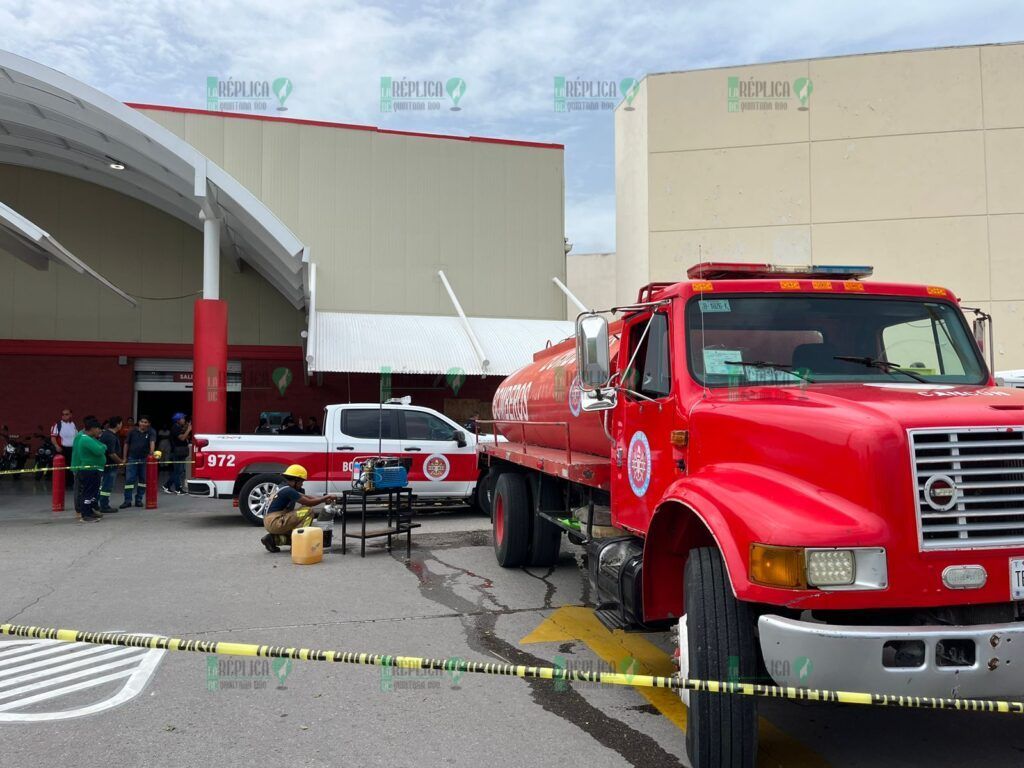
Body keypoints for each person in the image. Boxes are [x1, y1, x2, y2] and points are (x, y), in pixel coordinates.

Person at [261, 465, 335, 553]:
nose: (302, 484)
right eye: (301, 482)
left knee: (302, 512)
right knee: (308, 511)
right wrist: (327, 497)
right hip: (275, 521)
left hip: (270, 521)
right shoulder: (288, 491)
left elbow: (308, 497)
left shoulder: (283, 487)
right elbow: (309, 503)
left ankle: (272, 539)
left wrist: (324, 498)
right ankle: (299, 542)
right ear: (296, 480)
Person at [70, 416, 106, 522]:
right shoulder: (83, 438)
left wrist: (102, 447)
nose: (100, 431)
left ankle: (89, 511)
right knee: (85, 491)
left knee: (92, 491)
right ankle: (83, 513)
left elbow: (101, 446)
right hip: (86, 469)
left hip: (94, 469)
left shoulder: (90, 438)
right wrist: (102, 447)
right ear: (92, 428)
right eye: (98, 428)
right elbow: (99, 449)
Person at [120, 416, 156, 508]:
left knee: (143, 480)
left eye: (146, 422)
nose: (143, 424)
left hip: (144, 459)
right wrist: (124, 458)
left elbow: (152, 443)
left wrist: (151, 454)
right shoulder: (132, 431)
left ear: (149, 424)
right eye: (142, 421)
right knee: (129, 480)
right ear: (139, 423)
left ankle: (139, 499)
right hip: (132, 458)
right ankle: (127, 500)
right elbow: (126, 444)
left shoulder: (151, 432)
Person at [98, 417, 124, 513]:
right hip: (110, 465)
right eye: (121, 423)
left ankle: (100, 504)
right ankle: (104, 505)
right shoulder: (110, 436)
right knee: (106, 486)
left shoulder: (107, 434)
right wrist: (121, 462)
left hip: (107, 464)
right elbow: (112, 453)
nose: (121, 425)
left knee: (103, 485)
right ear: (117, 424)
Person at [163, 413, 191, 495]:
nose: (184, 420)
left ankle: (167, 485)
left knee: (179, 471)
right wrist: (189, 429)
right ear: (178, 420)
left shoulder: (179, 427)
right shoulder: (175, 428)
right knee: (178, 471)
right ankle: (178, 489)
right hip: (177, 451)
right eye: (182, 418)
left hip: (181, 451)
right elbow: (182, 438)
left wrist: (187, 428)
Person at [51, 408, 78, 488]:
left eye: (66, 414)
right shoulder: (57, 424)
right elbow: (53, 437)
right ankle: (60, 484)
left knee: (70, 467)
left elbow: (76, 436)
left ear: (70, 415)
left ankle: (70, 483)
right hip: (62, 449)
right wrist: (57, 446)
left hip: (71, 449)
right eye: (63, 414)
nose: (64, 416)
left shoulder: (73, 424)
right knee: (61, 468)